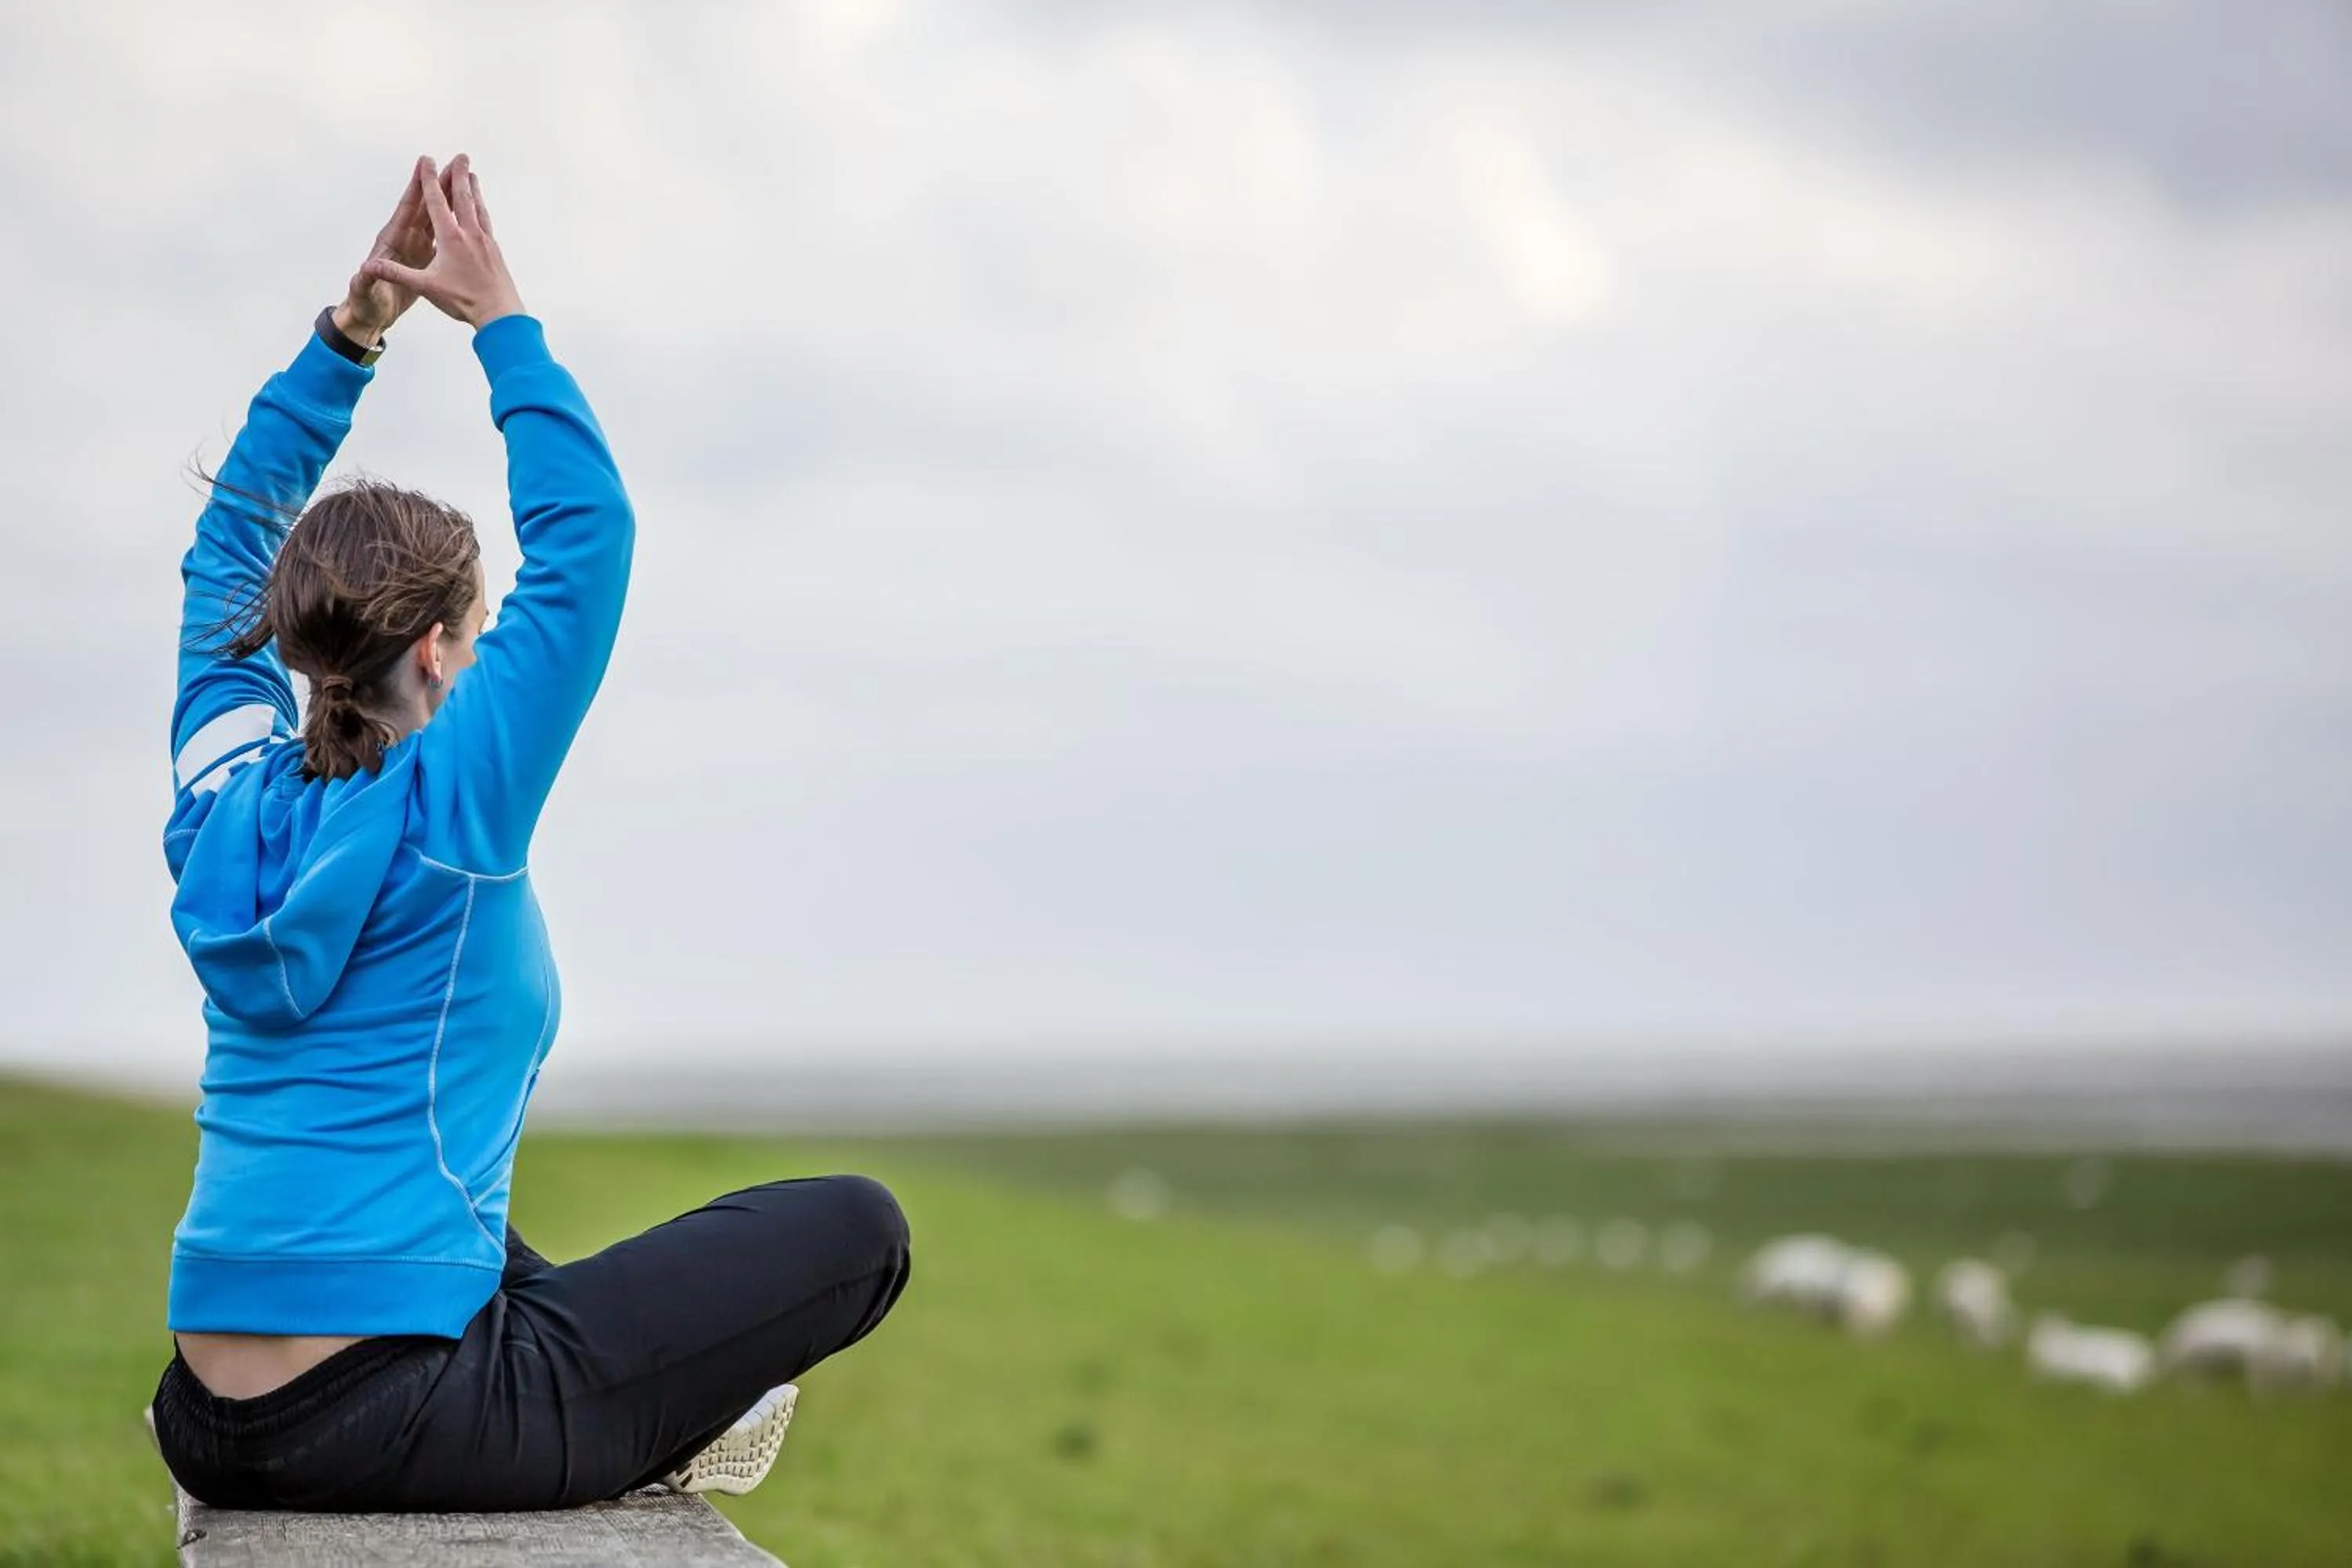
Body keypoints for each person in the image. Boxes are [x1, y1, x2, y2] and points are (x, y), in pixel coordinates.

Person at [148, 155, 912, 1512]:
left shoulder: (219, 800)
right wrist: (500, 318)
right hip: (401, 1416)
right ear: (442, 653)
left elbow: (225, 553)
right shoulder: (451, 807)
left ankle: (645, 1402)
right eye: (483, 636)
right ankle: (672, 1423)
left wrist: (352, 335)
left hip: (205, 1411)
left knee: (491, 1236)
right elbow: (590, 535)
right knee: (861, 1229)